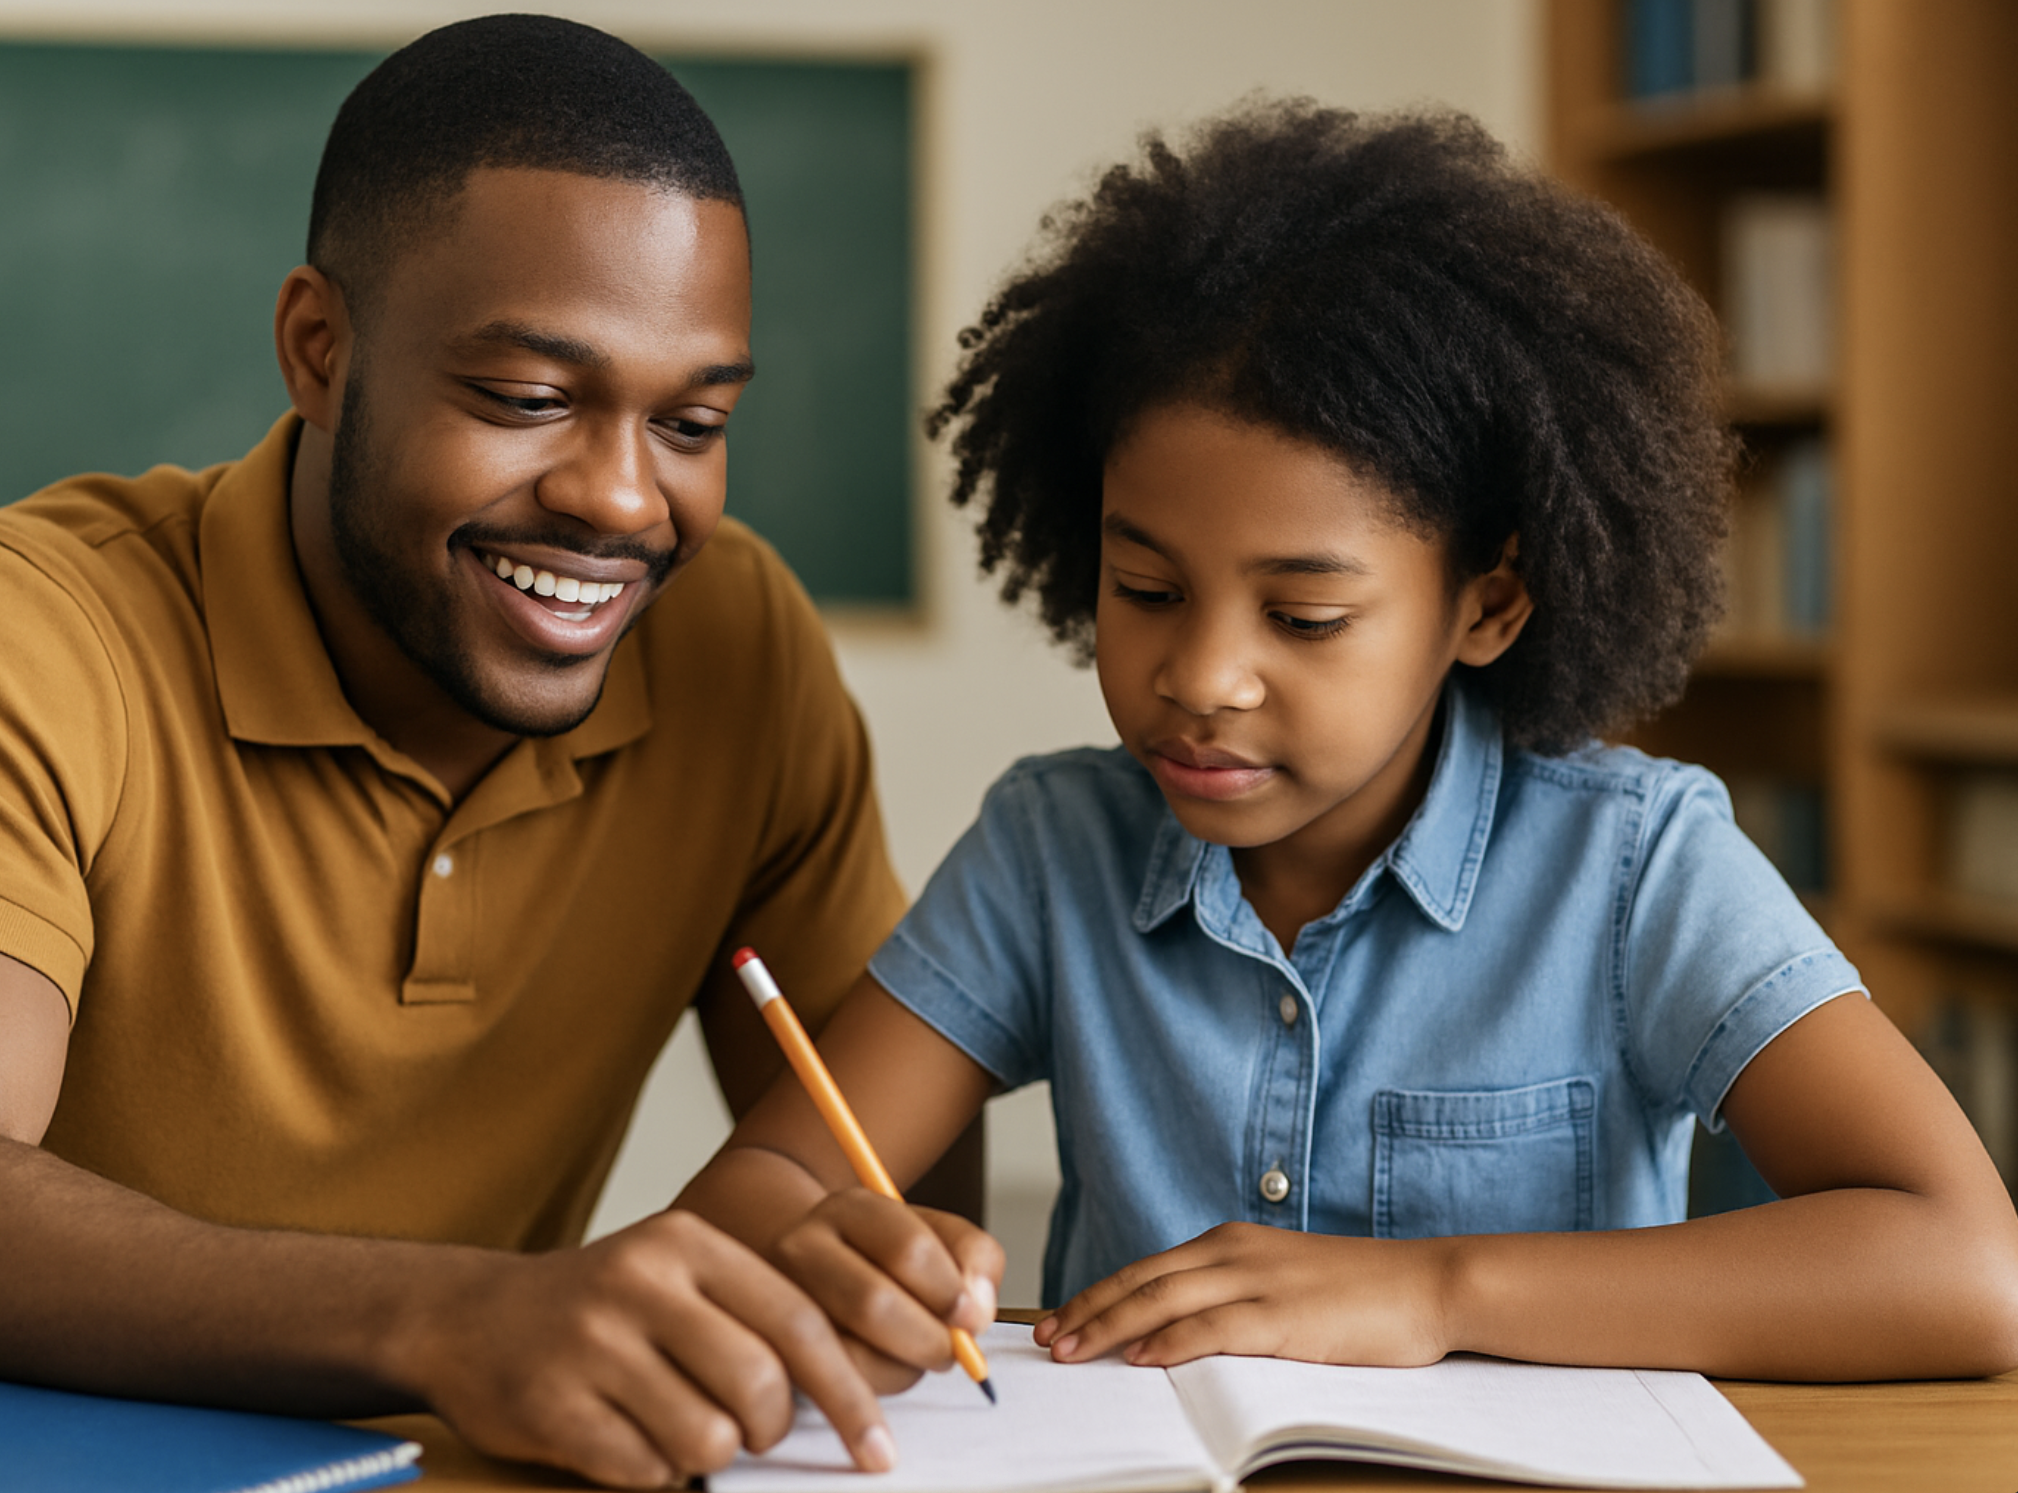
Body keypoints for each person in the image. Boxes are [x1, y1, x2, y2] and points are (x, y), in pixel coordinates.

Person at [0, 16, 992, 1487]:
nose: (620, 499)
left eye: (690, 421)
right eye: (529, 399)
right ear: (320, 350)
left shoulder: (736, 648)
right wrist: (465, 1316)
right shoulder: (23, 625)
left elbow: (874, 1174)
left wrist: (842, 1281)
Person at [678, 100, 2018, 1383]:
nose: (1199, 677)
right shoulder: (1051, 848)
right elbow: (781, 1177)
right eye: (1143, 589)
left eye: (1304, 616)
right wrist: (817, 1239)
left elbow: (1965, 1263)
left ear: (1485, 603)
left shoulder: (1633, 867)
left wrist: (1437, 1290)